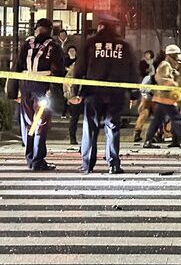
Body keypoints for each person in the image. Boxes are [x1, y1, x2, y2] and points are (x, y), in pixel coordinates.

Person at [72, 14, 139, 174]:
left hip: (93, 92)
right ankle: (113, 164)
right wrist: (134, 94)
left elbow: (79, 68)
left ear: (100, 27)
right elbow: (132, 70)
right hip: (116, 93)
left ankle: (87, 164)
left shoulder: (90, 43)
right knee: (113, 126)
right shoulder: (124, 45)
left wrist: (76, 92)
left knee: (90, 127)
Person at [5, 18, 66, 171]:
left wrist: (13, 91)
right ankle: (37, 159)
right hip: (43, 86)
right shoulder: (54, 47)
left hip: (25, 85)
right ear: (50, 31)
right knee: (41, 123)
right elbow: (58, 71)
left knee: (28, 123)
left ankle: (31, 157)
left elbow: (16, 66)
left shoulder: (27, 44)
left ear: (36, 29)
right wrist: (55, 91)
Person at [143, 45, 181, 149]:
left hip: (162, 98)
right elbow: (161, 79)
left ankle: (148, 141)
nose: (177, 57)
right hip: (165, 98)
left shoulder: (168, 66)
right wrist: (175, 84)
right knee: (176, 118)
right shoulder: (165, 65)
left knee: (156, 121)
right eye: (175, 54)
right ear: (170, 55)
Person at [63, 46, 81, 145]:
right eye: (70, 50)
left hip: (81, 94)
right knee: (74, 118)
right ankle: (72, 137)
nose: (72, 52)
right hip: (72, 95)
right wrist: (69, 97)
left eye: (73, 50)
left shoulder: (80, 63)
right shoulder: (66, 65)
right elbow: (66, 83)